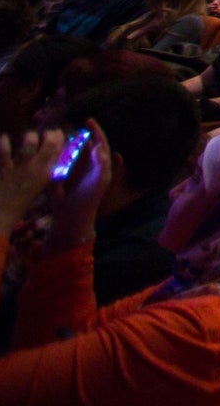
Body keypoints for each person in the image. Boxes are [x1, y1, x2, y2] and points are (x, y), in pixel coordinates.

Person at [0, 117, 220, 406]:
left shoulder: (207, 337)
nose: (174, 192)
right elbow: (61, 345)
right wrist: (73, 223)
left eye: (197, 181)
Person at [54, 75, 204, 306]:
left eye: (71, 147)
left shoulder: (131, 262)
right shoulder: (130, 207)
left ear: (105, 165)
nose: (56, 161)